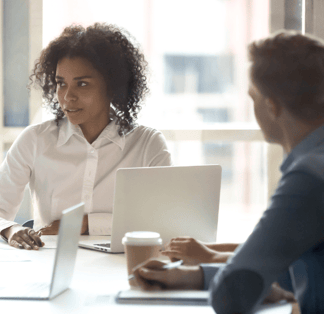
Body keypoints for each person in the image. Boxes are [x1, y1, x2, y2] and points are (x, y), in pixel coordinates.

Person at [131, 30, 324, 314]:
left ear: (271, 107)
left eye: (253, 97)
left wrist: (227, 280)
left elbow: (231, 294)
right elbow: (294, 266)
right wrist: (193, 276)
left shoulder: (309, 178)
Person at [0, 23, 172, 249]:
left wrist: (84, 224)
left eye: (83, 84)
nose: (67, 97)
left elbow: (164, 223)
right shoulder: (35, 140)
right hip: (49, 264)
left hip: (122, 266)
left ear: (113, 86)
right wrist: (12, 229)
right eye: (61, 84)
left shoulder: (147, 145)